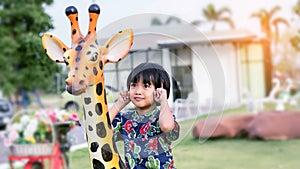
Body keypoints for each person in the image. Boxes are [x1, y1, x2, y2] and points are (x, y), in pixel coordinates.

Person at [109, 62, 180, 169]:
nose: (138, 91)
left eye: (146, 86)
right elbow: (101, 127)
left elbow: (166, 126)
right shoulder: (125, 119)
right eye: (133, 85)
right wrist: (119, 104)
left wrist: (164, 101)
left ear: (159, 90)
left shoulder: (162, 117)